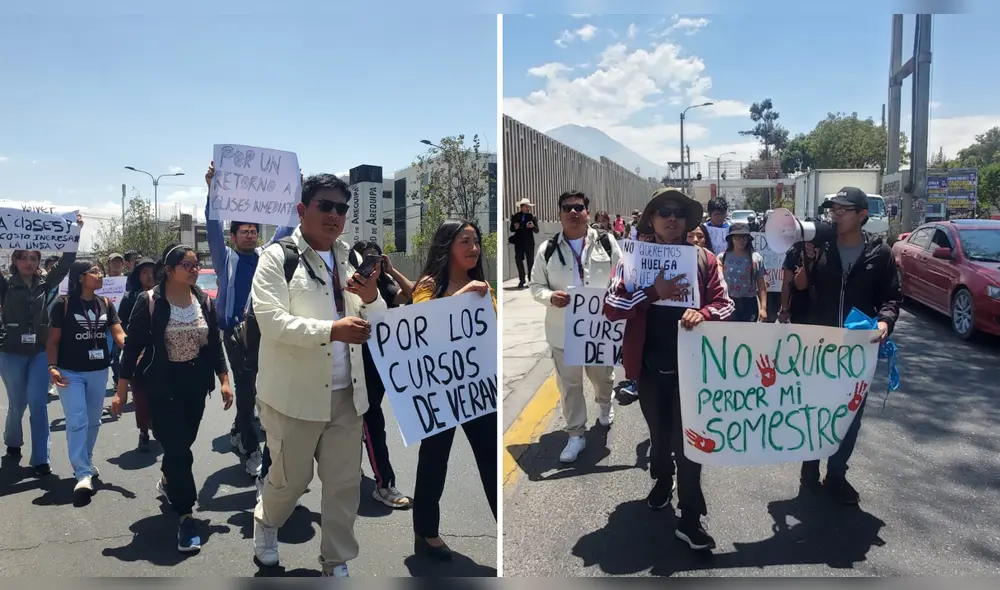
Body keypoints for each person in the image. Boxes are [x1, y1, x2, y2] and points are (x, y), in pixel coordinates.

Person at [250, 173, 385, 578]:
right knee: (290, 482)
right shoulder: (277, 258)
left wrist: (373, 299)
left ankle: (336, 562)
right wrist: (331, 330)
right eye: (325, 205)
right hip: (294, 397)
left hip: (348, 395)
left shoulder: (352, 259)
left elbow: (375, 321)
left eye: (341, 208)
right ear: (302, 210)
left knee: (344, 486)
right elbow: (271, 321)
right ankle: (266, 522)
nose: (334, 215)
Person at [604, 188, 734, 552]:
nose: (671, 218)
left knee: (689, 445)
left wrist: (703, 313)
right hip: (647, 369)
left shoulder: (705, 259)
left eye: (678, 212)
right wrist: (652, 292)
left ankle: (691, 517)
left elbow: (725, 304)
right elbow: (612, 306)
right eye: (664, 211)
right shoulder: (631, 260)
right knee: (659, 442)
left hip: (693, 372)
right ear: (651, 219)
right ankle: (662, 480)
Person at [112, 244, 233, 553]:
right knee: (179, 449)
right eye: (188, 265)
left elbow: (214, 345)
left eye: (196, 264)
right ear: (169, 270)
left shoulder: (203, 300)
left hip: (195, 385)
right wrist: (121, 389)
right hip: (162, 386)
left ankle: (169, 480)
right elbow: (132, 346)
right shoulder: (149, 301)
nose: (194, 269)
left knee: (184, 442)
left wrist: (224, 380)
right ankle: (186, 514)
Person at [794, 187, 901, 505]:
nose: (835, 214)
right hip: (820, 346)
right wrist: (805, 259)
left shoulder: (880, 253)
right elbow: (801, 289)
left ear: (862, 215)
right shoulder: (821, 247)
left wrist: (884, 322)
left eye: (843, 209)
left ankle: (837, 474)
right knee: (816, 410)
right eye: (833, 209)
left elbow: (892, 298)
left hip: (857, 351)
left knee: (850, 415)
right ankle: (809, 467)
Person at [410, 219, 496, 561]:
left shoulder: (483, 285)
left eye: (476, 242)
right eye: (465, 241)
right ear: (447, 246)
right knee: (434, 461)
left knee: (490, 460)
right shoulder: (429, 285)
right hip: (440, 391)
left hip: (476, 391)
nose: (474, 248)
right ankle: (426, 531)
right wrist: (459, 297)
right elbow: (419, 323)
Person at [529, 190, 622, 463]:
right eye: (567, 208)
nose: (573, 212)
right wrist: (550, 297)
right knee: (569, 386)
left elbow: (622, 274)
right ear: (559, 214)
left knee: (601, 378)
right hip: (563, 331)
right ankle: (576, 434)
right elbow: (536, 286)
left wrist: (615, 295)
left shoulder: (606, 242)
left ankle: (605, 404)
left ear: (587, 213)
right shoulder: (547, 250)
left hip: (599, 330)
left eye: (578, 207)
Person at [0, 216, 81, 475]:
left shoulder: (46, 283)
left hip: (39, 352)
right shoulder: (4, 284)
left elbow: (67, 262)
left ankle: (40, 458)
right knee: (18, 403)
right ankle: (13, 441)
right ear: (14, 261)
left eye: (33, 258)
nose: (28, 262)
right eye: (22, 257)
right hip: (10, 352)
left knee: (38, 402)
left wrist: (74, 231)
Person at [47, 260, 126, 498]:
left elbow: (118, 332)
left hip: (98, 370)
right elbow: (52, 340)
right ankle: (81, 472)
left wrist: (134, 349)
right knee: (77, 419)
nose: (100, 275)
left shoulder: (106, 303)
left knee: (94, 421)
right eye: (94, 272)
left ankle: (87, 461)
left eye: (100, 271)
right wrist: (52, 366)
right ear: (80, 277)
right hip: (70, 371)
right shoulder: (64, 304)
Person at [349, 240, 412, 509]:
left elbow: (412, 294)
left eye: (375, 259)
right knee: (369, 423)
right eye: (365, 259)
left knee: (365, 422)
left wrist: (392, 270)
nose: (370, 265)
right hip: (354, 366)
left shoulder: (385, 285)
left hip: (382, 367)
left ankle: (362, 474)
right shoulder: (349, 287)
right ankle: (384, 483)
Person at [117, 256, 157, 451]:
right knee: (140, 395)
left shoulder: (164, 294)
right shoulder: (129, 297)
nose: (149, 276)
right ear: (137, 275)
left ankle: (160, 426)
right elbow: (120, 324)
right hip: (137, 353)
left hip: (160, 353)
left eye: (152, 271)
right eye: (144, 272)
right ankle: (144, 431)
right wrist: (129, 346)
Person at [719, 222, 767, 322]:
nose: (741, 241)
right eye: (737, 237)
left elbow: (761, 285)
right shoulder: (722, 257)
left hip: (749, 303)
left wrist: (763, 308)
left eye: (744, 237)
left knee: (748, 335)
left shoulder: (756, 258)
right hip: (728, 303)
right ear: (731, 239)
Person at [508, 198, 539, 289]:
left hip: (529, 242)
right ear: (521, 207)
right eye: (526, 206)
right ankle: (522, 279)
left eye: (528, 206)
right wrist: (515, 227)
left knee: (530, 262)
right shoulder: (515, 216)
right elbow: (511, 229)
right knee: (518, 260)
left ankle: (530, 279)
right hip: (519, 242)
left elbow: (537, 230)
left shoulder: (532, 217)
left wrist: (533, 226)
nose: (528, 208)